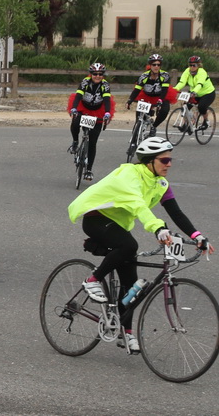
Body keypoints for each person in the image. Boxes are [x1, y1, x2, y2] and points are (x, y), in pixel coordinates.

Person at [67, 137, 214, 352]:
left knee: (131, 287)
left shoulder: (160, 183)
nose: (169, 164)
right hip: (96, 218)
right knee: (129, 246)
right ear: (149, 161)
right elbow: (137, 205)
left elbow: (176, 212)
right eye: (164, 160)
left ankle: (125, 333)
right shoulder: (129, 175)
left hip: (118, 225)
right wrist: (157, 228)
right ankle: (92, 280)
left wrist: (197, 236)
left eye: (170, 160)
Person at [67, 63, 115, 181]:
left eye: (100, 74)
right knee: (75, 121)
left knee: (92, 142)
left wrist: (107, 113)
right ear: (91, 74)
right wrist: (74, 108)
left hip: (98, 111)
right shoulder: (85, 82)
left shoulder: (105, 85)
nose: (97, 76)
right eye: (95, 74)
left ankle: (88, 170)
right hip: (84, 107)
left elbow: (107, 99)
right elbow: (78, 96)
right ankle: (75, 141)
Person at [125, 54, 178, 137]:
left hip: (160, 95)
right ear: (150, 65)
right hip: (146, 95)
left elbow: (164, 90)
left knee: (165, 110)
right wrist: (130, 100)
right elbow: (136, 90)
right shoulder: (144, 76)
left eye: (158, 65)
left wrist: (160, 100)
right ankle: (137, 130)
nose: (156, 67)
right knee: (139, 117)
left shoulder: (164, 75)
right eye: (154, 64)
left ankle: (154, 126)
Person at [174, 55, 216, 131]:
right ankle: (187, 123)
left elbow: (199, 84)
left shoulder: (202, 72)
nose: (192, 67)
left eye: (194, 65)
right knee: (186, 107)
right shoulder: (187, 71)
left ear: (199, 65)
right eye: (190, 65)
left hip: (207, 93)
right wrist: (174, 89)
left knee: (201, 107)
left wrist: (194, 92)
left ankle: (206, 121)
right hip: (195, 93)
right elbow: (182, 82)